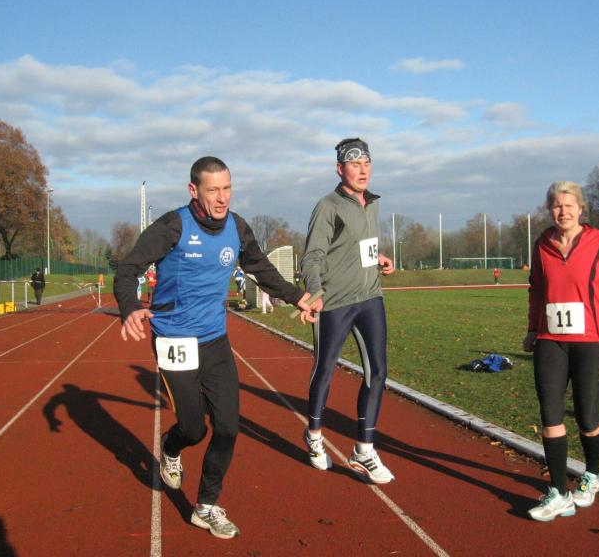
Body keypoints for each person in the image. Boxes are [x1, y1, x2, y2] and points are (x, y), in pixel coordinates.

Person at [114, 156, 318, 540]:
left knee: (227, 427)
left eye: (227, 188)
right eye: (213, 190)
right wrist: (129, 308)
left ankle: (206, 506)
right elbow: (128, 269)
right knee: (193, 429)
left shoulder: (237, 227)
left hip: (214, 338)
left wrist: (297, 297)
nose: (222, 198)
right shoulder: (173, 226)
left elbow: (260, 267)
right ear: (194, 191)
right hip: (175, 339)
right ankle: (172, 446)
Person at [523, 181, 599, 522]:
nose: (563, 211)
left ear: (581, 209)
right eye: (557, 205)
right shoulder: (542, 244)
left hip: (593, 341)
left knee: (587, 416)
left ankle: (592, 474)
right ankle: (558, 493)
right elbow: (536, 290)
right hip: (551, 340)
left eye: (569, 205)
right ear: (549, 209)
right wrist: (532, 329)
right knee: (550, 414)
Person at [300, 137, 395, 484]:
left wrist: (378, 258)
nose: (363, 170)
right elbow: (313, 256)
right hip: (335, 303)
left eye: (367, 163)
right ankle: (313, 434)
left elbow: (358, 245)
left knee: (378, 371)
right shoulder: (328, 206)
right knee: (325, 369)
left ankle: (364, 449)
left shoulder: (373, 204)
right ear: (340, 169)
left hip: (370, 298)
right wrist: (315, 292)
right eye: (355, 164)